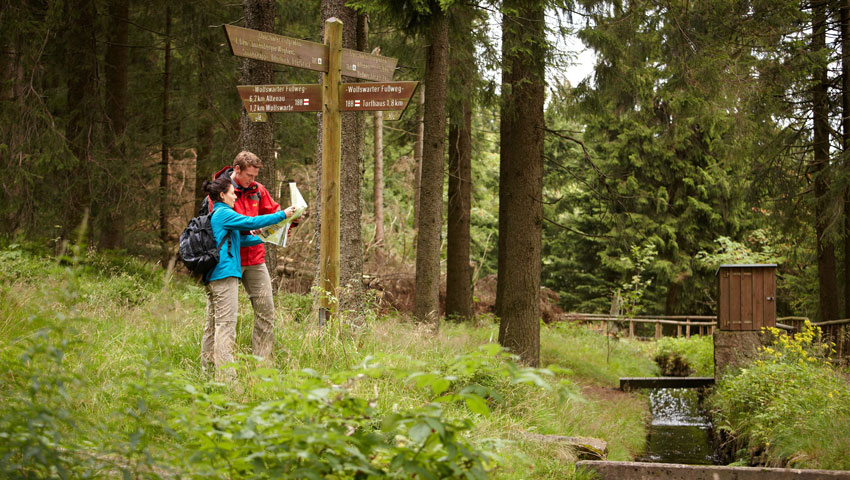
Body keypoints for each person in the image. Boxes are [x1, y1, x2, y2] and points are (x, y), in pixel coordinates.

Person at [200, 176, 296, 380]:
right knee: (226, 326)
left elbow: (241, 240)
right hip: (224, 276)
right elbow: (250, 221)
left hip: (215, 276)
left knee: (213, 324)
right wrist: (282, 215)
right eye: (232, 192)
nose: (235, 195)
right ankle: (227, 380)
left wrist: (265, 235)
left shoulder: (220, 214)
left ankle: (207, 372)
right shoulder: (224, 212)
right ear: (222, 195)